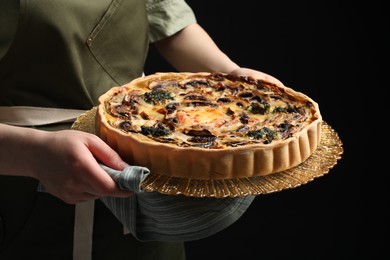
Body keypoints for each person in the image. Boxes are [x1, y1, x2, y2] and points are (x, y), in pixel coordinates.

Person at [0, 0, 282, 259]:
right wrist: (32, 154)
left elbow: (164, 16)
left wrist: (229, 74)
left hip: (143, 180)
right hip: (24, 190)